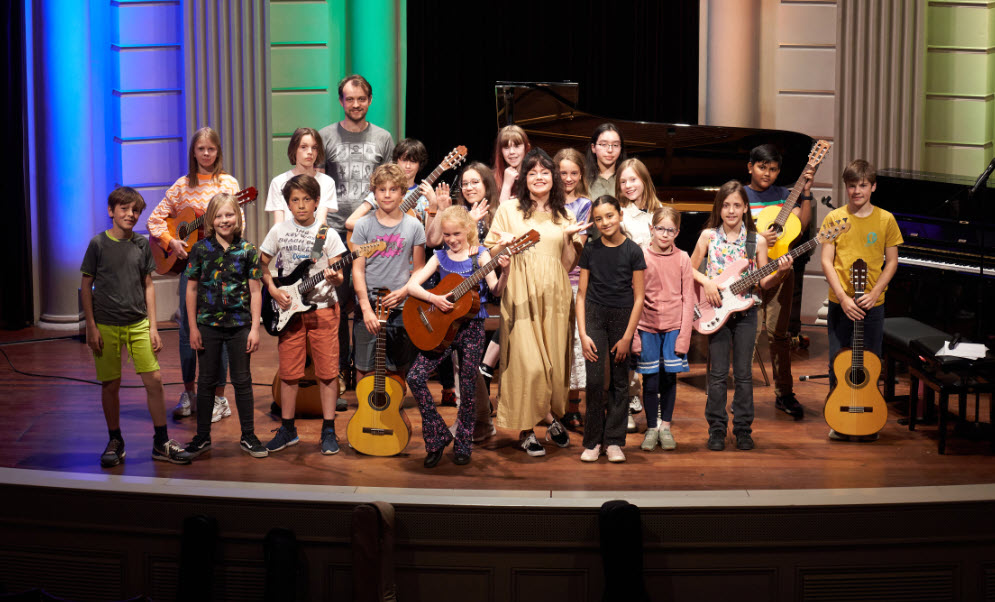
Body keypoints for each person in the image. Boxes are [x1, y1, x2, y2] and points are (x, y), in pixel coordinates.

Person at [484, 148, 591, 457]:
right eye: (533, 173)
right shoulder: (508, 209)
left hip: (555, 297)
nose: (539, 177)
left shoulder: (564, 214)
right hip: (520, 293)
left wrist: (571, 237)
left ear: (553, 178)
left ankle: (546, 419)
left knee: (552, 367)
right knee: (526, 365)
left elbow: (568, 264)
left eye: (545, 172)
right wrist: (501, 251)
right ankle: (528, 429)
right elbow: (490, 250)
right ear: (525, 179)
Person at [81, 187, 188, 467]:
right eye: (124, 209)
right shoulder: (98, 244)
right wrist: (90, 326)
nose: (130, 214)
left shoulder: (141, 245)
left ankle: (161, 440)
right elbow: (85, 286)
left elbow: (148, 285)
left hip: (138, 323)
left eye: (135, 210)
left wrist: (153, 327)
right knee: (111, 384)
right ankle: (115, 439)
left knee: (153, 379)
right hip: (105, 325)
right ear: (111, 211)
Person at [690, 181, 793, 452]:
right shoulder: (708, 236)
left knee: (745, 374)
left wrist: (781, 272)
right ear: (719, 208)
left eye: (737, 205)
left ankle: (744, 429)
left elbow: (764, 282)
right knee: (718, 374)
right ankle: (716, 428)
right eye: (726, 205)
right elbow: (688, 270)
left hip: (747, 312)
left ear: (745, 207)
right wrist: (709, 284)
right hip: (716, 310)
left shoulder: (756, 240)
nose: (731, 210)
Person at [404, 206, 509, 467]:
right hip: (441, 328)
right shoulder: (439, 257)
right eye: (447, 234)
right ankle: (436, 436)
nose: (451, 239)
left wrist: (506, 270)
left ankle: (463, 443)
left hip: (472, 326)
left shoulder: (481, 256)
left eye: (457, 234)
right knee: (415, 377)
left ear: (469, 231)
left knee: (469, 387)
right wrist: (434, 299)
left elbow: (495, 289)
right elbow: (412, 285)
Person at [147, 127, 239, 423]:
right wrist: (170, 241)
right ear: (194, 152)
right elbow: (154, 220)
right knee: (187, 332)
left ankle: (220, 399)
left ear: (217, 151)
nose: (206, 154)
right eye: (201, 149)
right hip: (189, 267)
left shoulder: (228, 183)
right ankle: (189, 392)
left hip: (219, 269)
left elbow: (240, 226)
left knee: (220, 331)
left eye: (211, 148)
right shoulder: (181, 186)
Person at [259, 175, 347, 455]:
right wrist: (272, 290)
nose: (300, 205)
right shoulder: (278, 232)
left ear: (317, 201)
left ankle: (329, 429)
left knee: (327, 372)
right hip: (290, 312)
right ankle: (287, 429)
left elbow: (340, 275)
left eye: (306, 199)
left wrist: (335, 279)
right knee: (289, 372)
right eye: (295, 200)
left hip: (323, 311)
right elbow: (260, 266)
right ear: (287, 204)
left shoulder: (327, 234)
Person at [177, 193, 268, 460]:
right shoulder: (201, 250)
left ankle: (248, 435)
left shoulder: (248, 250)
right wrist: (192, 328)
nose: (224, 220)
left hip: (240, 325)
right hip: (208, 325)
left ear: (238, 217)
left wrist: (254, 328)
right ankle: (202, 436)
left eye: (229, 214)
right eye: (218, 216)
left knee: (242, 380)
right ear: (210, 220)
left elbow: (255, 291)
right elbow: (191, 289)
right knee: (206, 380)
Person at [319, 74, 396, 389]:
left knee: (368, 305)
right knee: (336, 304)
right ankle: (339, 370)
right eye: (349, 99)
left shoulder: (383, 138)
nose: (355, 104)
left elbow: (390, 184)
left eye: (360, 99)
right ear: (341, 101)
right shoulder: (325, 136)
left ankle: (366, 369)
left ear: (370, 100)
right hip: (335, 236)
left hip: (371, 236)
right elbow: (321, 186)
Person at [820, 159, 902, 440]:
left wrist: (876, 291)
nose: (857, 191)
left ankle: (868, 415)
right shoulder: (834, 219)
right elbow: (826, 261)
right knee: (837, 362)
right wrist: (843, 298)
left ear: (873, 186)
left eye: (863, 185)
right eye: (852, 185)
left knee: (870, 362)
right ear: (846, 187)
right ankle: (839, 419)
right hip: (841, 303)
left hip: (872, 305)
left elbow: (891, 262)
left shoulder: (885, 219)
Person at [426, 162, 499, 441]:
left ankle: (477, 420)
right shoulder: (457, 212)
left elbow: (489, 252)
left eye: (475, 182)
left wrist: (476, 223)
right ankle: (476, 419)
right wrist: (440, 208)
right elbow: (433, 241)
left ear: (486, 184)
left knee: (469, 366)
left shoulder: (495, 212)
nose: (469, 187)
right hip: (452, 296)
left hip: (482, 295)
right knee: (463, 365)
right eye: (465, 183)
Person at [744, 144, 814, 419]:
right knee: (746, 336)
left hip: (780, 270)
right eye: (763, 167)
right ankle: (742, 394)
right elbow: (729, 227)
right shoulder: (740, 194)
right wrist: (758, 238)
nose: (768, 174)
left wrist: (806, 193)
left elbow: (801, 226)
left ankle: (784, 393)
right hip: (747, 273)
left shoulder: (785, 195)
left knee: (779, 335)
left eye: (773, 169)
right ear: (750, 166)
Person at [576, 196, 645, 463]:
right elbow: (581, 295)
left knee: (619, 380)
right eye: (598, 218)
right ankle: (593, 441)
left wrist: (628, 336)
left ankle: (614, 441)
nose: (604, 222)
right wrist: (583, 334)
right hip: (594, 313)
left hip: (622, 317)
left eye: (609, 216)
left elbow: (639, 297)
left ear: (620, 216)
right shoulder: (591, 250)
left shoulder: (633, 251)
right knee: (594, 382)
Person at [351, 164, 426, 382]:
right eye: (381, 189)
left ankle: (394, 414)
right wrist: (365, 308)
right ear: (373, 193)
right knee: (364, 367)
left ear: (403, 193)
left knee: (397, 367)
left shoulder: (414, 226)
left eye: (393, 189)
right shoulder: (363, 225)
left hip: (400, 305)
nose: (387, 194)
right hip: (369, 304)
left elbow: (419, 268)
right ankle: (366, 415)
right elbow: (358, 270)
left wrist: (404, 291)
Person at [636, 208, 694, 452]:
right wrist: (633, 339)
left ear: (677, 232)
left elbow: (688, 299)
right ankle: (651, 427)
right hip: (646, 327)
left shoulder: (683, 258)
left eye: (670, 230)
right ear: (652, 229)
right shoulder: (640, 256)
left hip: (673, 327)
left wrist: (684, 337)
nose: (664, 234)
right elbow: (634, 295)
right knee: (650, 380)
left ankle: (666, 427)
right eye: (660, 228)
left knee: (669, 379)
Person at [553, 148, 592, 430]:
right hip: (548, 278)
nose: (568, 178)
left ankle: (573, 405)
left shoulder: (585, 204)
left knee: (574, 344)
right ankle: (552, 405)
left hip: (575, 280)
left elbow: (579, 244)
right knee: (554, 344)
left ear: (581, 175)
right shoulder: (547, 203)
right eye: (562, 173)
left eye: (573, 173)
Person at [345, 138, 433, 232]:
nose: (408, 166)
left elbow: (432, 240)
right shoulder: (383, 191)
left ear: (420, 164)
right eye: (404, 160)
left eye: (413, 161)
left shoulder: (425, 195)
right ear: (396, 161)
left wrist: (434, 202)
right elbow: (350, 222)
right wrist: (380, 227)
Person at [265, 127, 338, 226]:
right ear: (294, 149)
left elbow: (321, 221)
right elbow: (278, 224)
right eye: (304, 147)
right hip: (286, 238)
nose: (310, 152)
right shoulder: (278, 182)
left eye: (314, 148)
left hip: (315, 238)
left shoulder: (327, 182)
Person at [615, 158, 662, 249]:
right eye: (623, 182)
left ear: (644, 180)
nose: (628, 185)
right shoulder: (619, 213)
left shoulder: (658, 208)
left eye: (633, 179)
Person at [585, 123, 627, 201]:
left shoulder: (627, 178)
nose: (610, 150)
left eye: (615, 145)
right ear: (593, 147)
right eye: (604, 144)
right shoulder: (583, 178)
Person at [493, 125, 531, 204]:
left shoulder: (535, 175)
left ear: (526, 147)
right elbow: (500, 214)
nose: (511, 152)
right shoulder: (492, 178)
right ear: (500, 151)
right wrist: (506, 186)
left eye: (517, 146)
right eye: (506, 147)